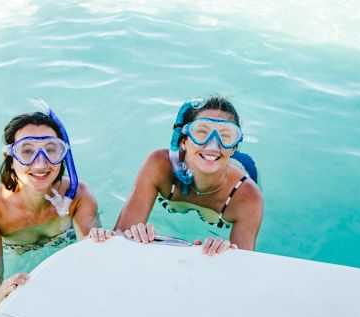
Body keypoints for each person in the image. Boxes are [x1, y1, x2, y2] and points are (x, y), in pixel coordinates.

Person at [0, 107, 100, 308]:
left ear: (63, 155)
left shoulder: (78, 195)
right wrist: (0, 294)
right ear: (10, 158)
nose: (41, 163)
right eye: (27, 151)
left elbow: (92, 258)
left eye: (50, 150)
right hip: (19, 260)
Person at [112, 96, 263, 255]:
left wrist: (226, 254)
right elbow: (120, 237)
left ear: (233, 148)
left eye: (225, 136)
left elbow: (243, 267)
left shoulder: (248, 197)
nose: (213, 145)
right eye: (201, 133)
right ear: (183, 141)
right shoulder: (159, 165)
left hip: (240, 169)